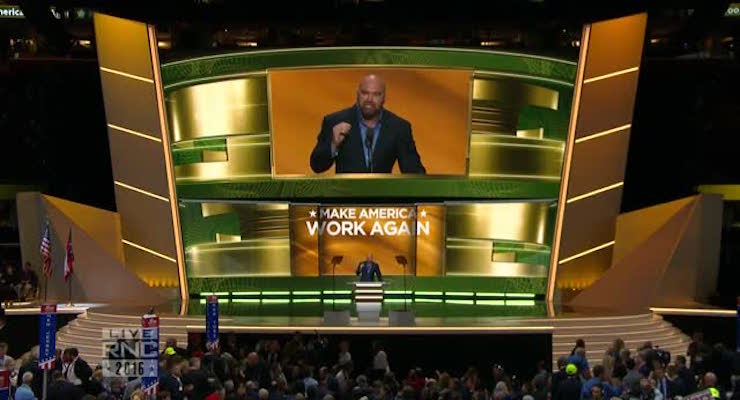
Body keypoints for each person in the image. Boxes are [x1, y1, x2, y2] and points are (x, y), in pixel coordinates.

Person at [310, 74, 426, 174]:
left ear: (384, 97)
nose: (369, 99)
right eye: (365, 93)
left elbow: (415, 173)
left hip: (381, 198)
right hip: (346, 198)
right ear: (357, 93)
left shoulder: (398, 127)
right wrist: (333, 145)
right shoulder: (335, 121)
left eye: (376, 94)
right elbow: (317, 166)